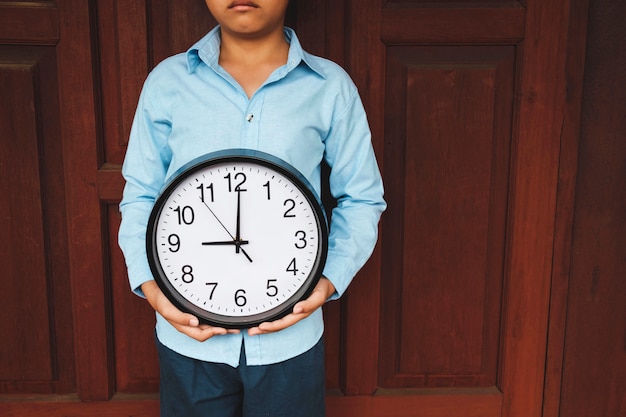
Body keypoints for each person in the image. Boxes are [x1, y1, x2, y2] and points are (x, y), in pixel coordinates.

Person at [118, 0, 386, 416]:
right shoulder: (167, 83)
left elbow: (362, 197)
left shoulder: (329, 87)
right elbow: (140, 194)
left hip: (290, 339)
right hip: (189, 336)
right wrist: (152, 289)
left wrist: (328, 281)